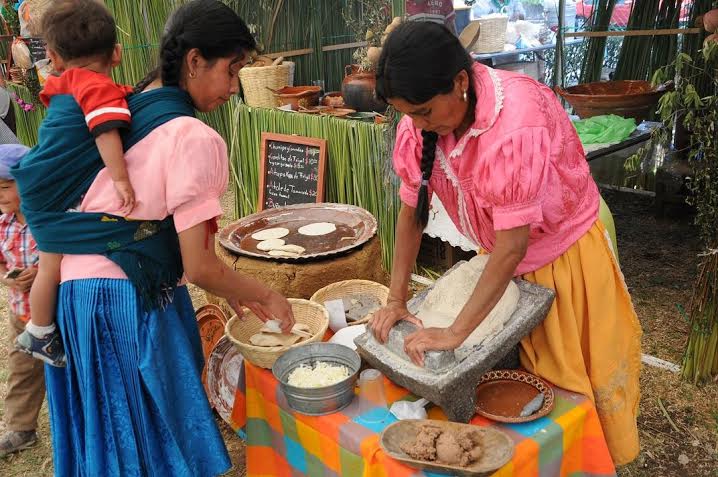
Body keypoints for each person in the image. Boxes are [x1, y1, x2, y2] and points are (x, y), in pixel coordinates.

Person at [13, 1, 295, 475]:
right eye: (233, 70)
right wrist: (267, 294)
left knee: (106, 437)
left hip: (74, 297)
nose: (233, 87)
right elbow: (201, 266)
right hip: (129, 300)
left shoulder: (120, 103)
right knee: (149, 441)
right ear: (194, 60)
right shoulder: (191, 137)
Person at [370, 21, 641, 466]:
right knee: (512, 386)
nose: (417, 124)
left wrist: (457, 332)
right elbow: (410, 213)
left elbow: (514, 245)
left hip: (561, 256)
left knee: (568, 387)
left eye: (422, 111)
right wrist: (397, 298)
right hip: (498, 259)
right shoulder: (420, 126)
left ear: (459, 82)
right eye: (408, 114)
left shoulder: (515, 122)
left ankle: (590, 462)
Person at [15, 0, 137, 368]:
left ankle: (38, 328)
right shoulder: (96, 87)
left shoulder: (66, 83)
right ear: (116, 53)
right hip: (48, 191)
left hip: (37, 183)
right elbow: (103, 130)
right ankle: (39, 331)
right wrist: (120, 178)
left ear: (53, 56)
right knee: (50, 264)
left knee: (50, 262)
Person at [0, 144, 44, 458]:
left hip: (52, 312)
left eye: (4, 187)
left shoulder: (48, 219)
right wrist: (8, 277)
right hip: (19, 313)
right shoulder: (2, 224)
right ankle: (21, 428)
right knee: (21, 369)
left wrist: (40, 273)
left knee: (66, 369)